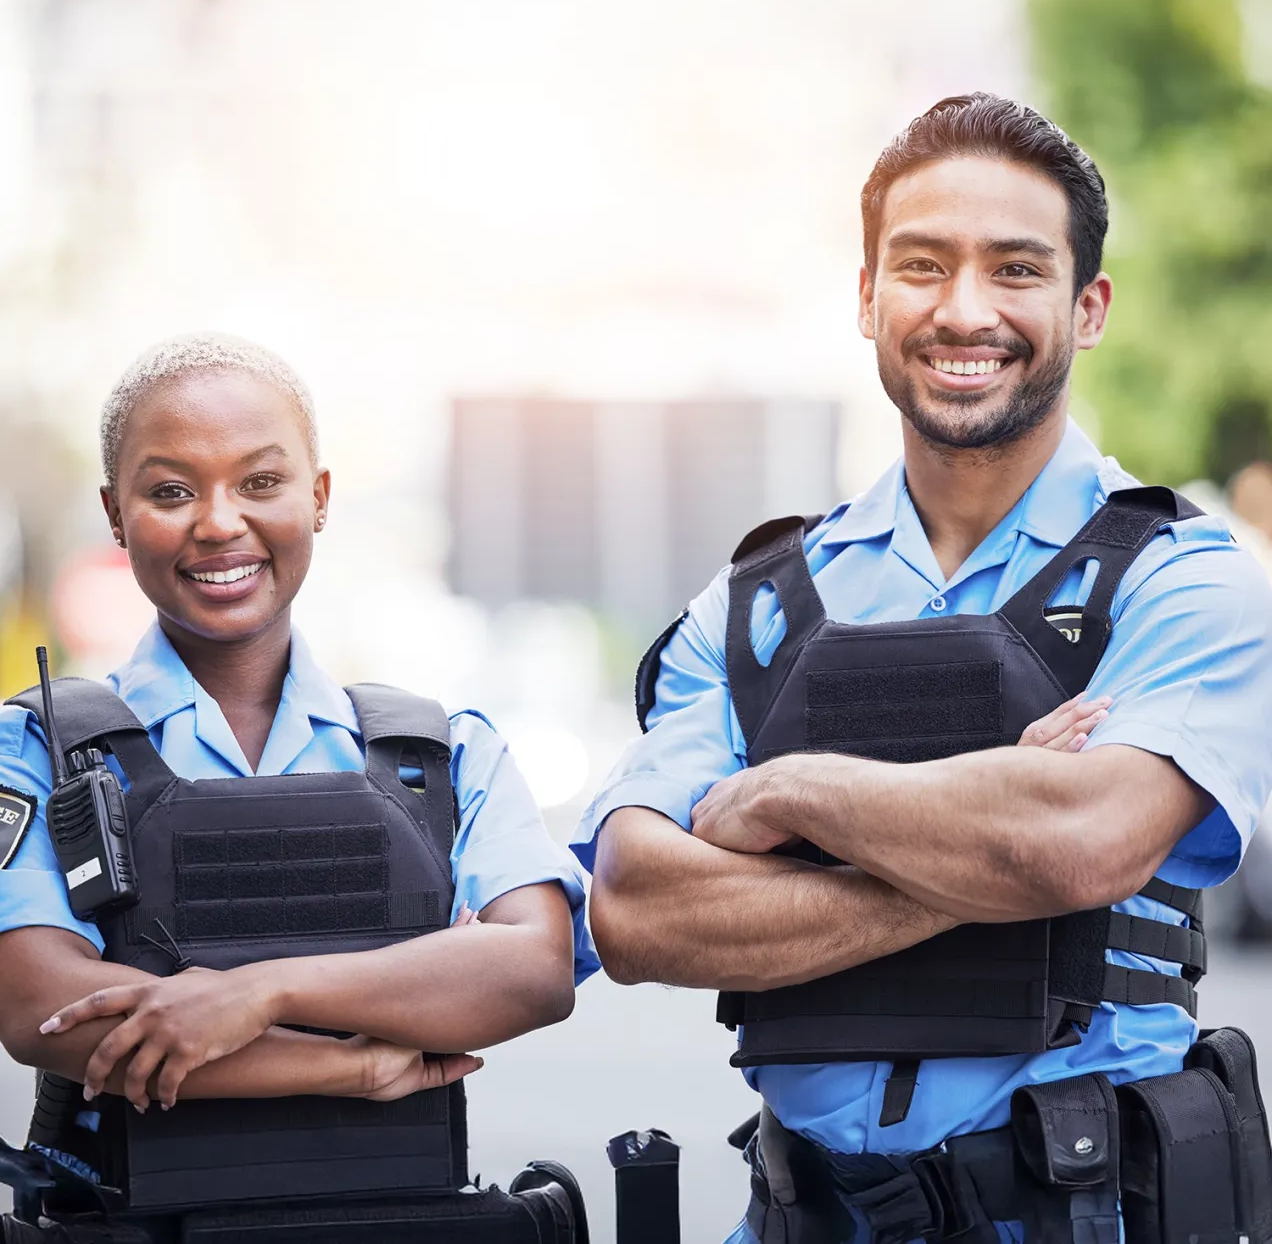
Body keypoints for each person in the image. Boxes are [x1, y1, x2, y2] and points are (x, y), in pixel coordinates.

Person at [576, 94, 1272, 1243]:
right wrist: (999, 850)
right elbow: (639, 908)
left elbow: (1081, 840)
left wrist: (786, 792)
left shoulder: (1187, 580)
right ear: (867, 298)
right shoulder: (756, 604)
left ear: (1086, 308)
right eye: (922, 264)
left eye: (1015, 269)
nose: (965, 311)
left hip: (1080, 1213)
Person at [0, 333, 597, 1241]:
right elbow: (43, 1009)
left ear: (318, 498)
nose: (217, 522)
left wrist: (259, 994)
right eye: (169, 491)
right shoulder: (33, 749)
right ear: (115, 515)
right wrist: (346, 1066)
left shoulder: (440, 753)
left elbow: (532, 970)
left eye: (260, 483)